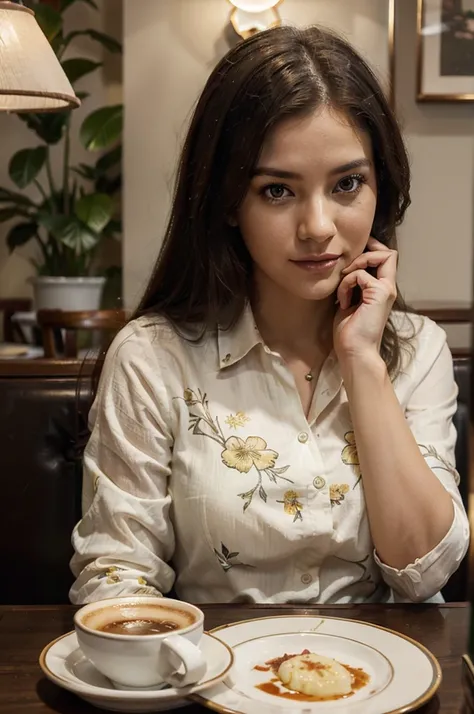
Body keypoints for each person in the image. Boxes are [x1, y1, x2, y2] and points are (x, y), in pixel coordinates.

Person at [70, 24, 469, 605]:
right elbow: (117, 575)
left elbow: (424, 572)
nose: (318, 227)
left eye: (348, 184)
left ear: (381, 186)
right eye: (278, 191)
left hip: (386, 681)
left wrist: (362, 362)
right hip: (212, 678)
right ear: (228, 201)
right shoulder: (153, 356)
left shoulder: (418, 348)